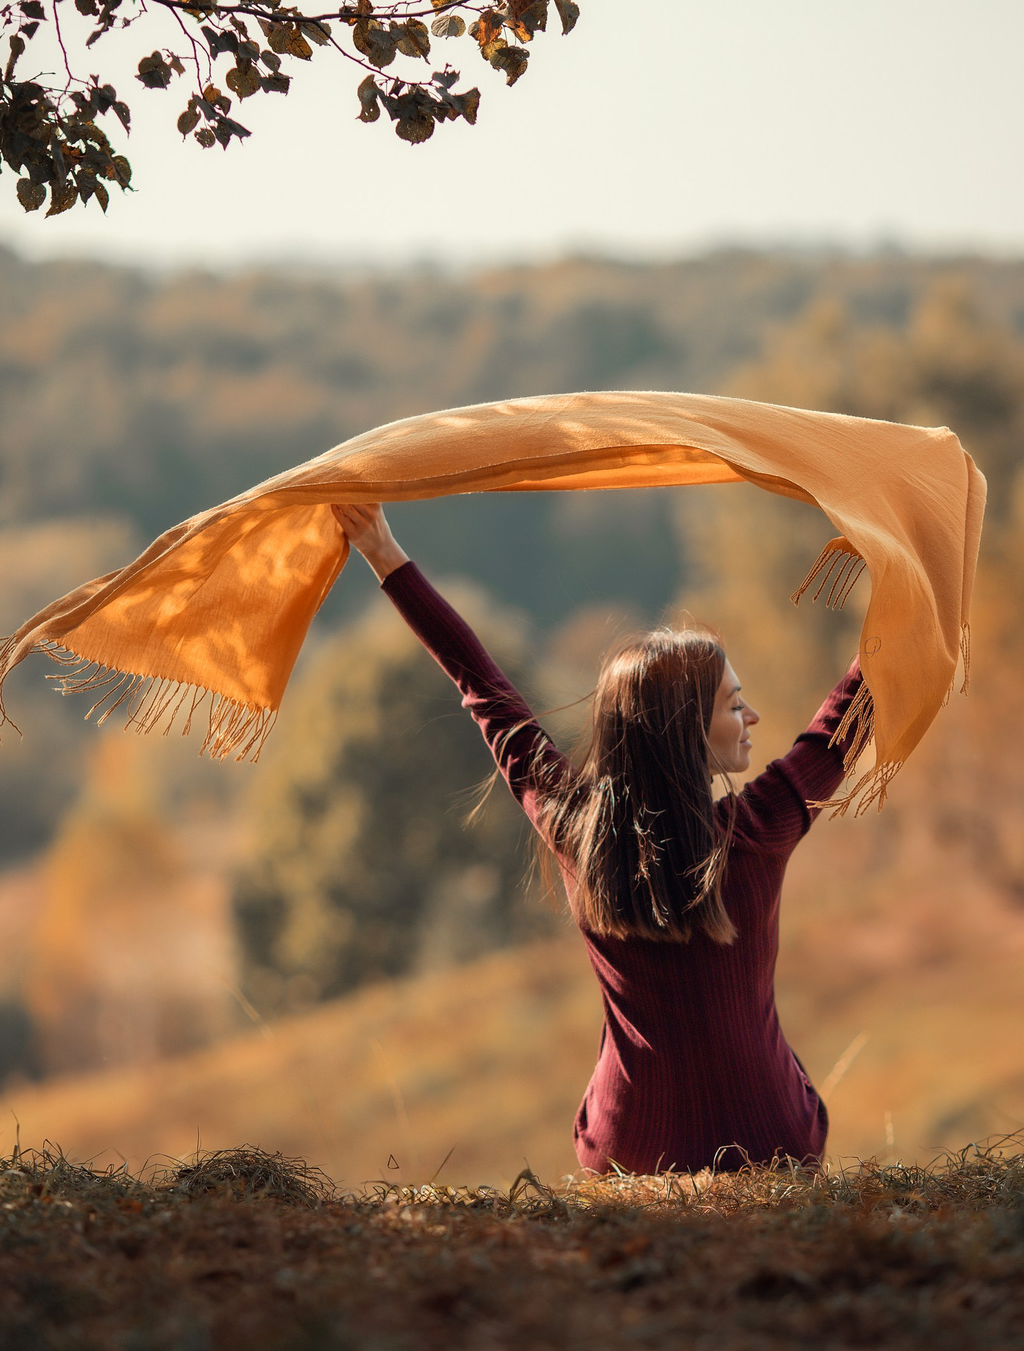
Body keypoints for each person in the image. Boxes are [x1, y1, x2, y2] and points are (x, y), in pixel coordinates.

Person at [332, 502, 864, 1176]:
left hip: (629, 1150)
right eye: (733, 704)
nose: (752, 715)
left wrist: (385, 555)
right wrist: (917, 577)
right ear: (686, 732)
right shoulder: (760, 829)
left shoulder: (575, 827)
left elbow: (483, 686)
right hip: (772, 1143)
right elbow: (847, 713)